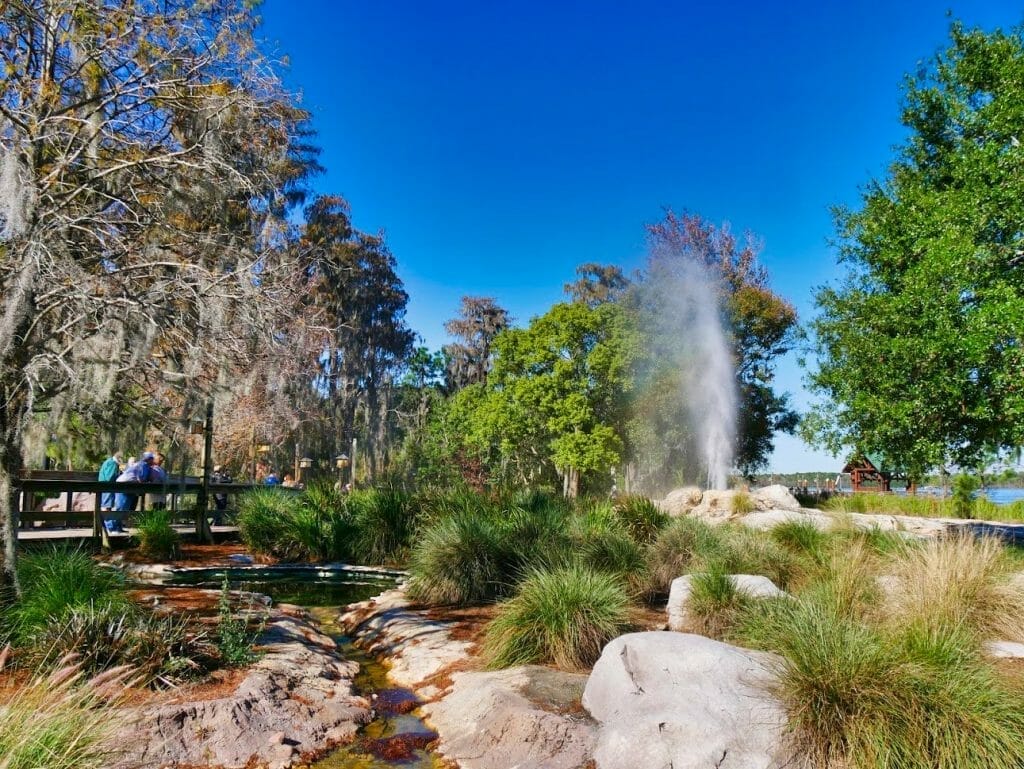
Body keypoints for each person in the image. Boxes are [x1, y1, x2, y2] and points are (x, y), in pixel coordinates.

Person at [110, 451, 155, 532]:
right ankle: (113, 528)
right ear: (149, 459)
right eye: (152, 459)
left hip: (130, 487)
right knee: (121, 507)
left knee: (125, 508)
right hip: (123, 485)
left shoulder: (145, 466)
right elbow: (140, 479)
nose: (153, 460)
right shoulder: (142, 465)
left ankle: (119, 528)